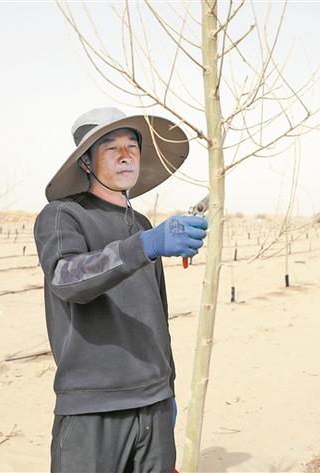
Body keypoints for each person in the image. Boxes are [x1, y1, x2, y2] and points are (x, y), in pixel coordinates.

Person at [34, 107, 208, 472]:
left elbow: (157, 314)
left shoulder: (141, 224)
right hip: (93, 407)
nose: (125, 154)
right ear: (86, 161)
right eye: (111, 147)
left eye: (132, 145)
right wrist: (144, 245)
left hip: (154, 404)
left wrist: (168, 388)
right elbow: (66, 278)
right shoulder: (63, 215)